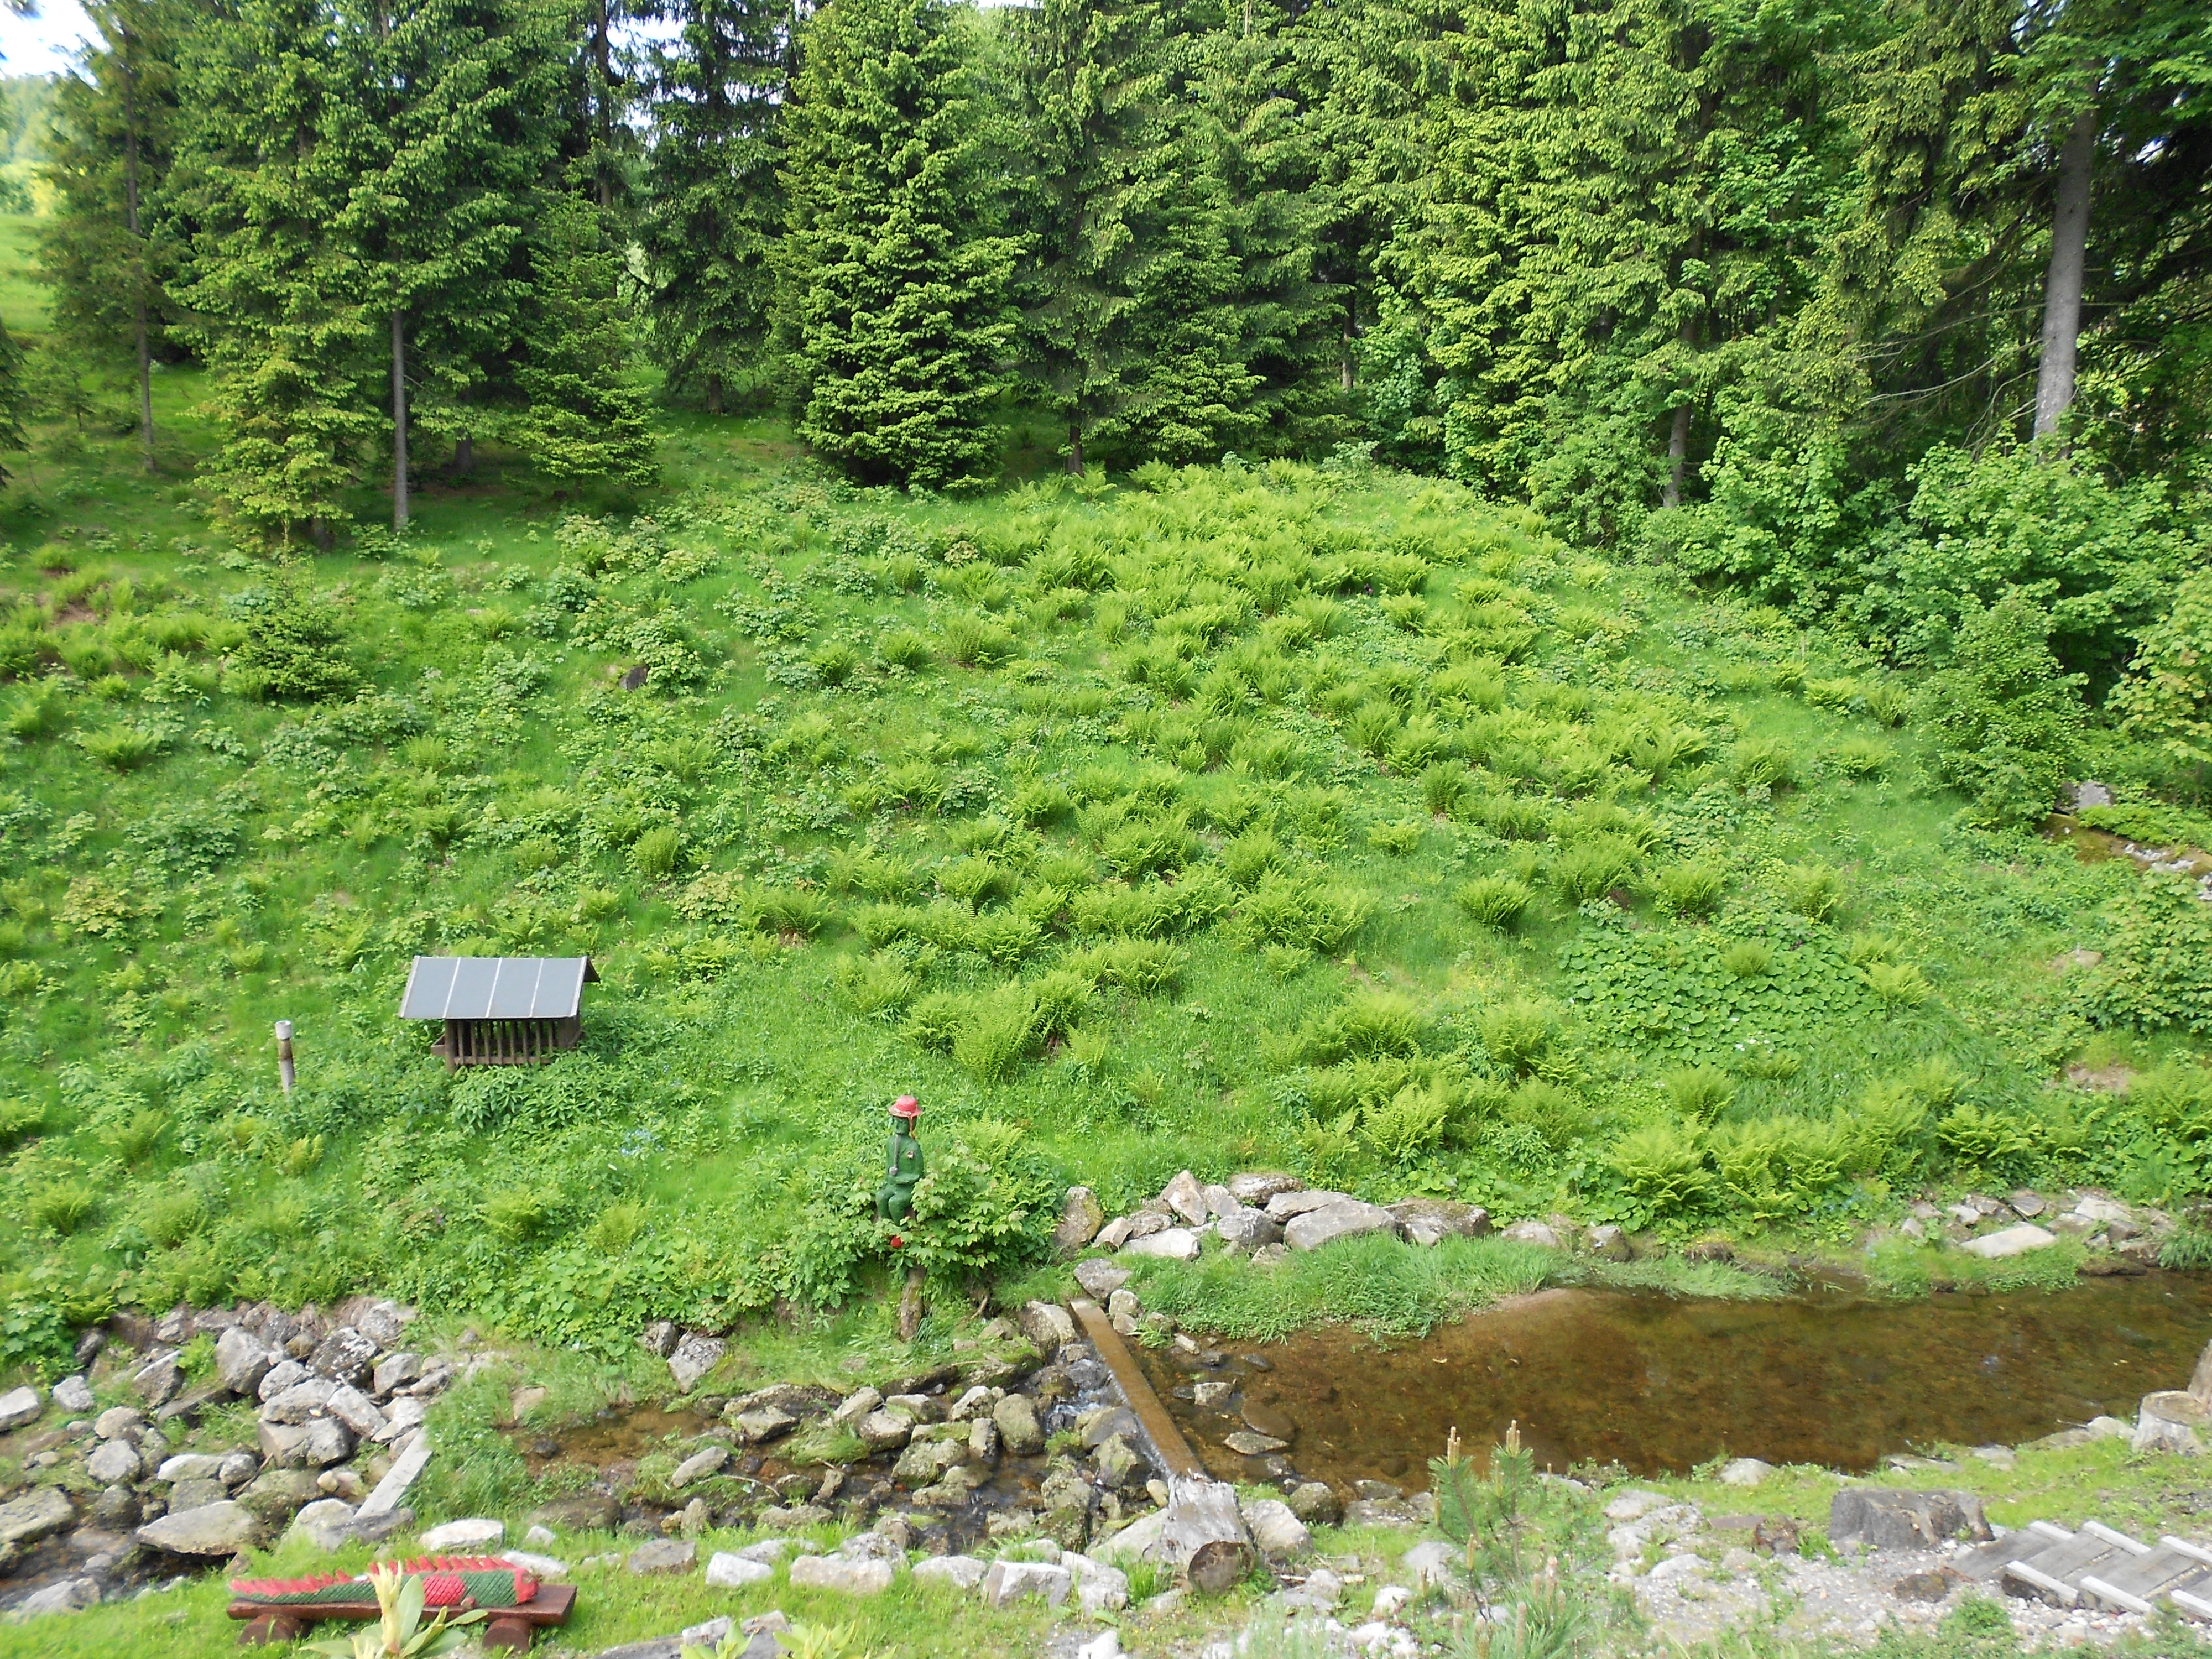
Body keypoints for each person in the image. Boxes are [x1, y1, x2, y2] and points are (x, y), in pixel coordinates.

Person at [876, 1094, 924, 1222]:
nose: (897, 1126)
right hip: (892, 1185)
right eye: (895, 1121)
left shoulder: (913, 1147)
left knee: (895, 1203)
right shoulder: (890, 1143)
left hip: (907, 1188)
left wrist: (901, 1179)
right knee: (881, 1197)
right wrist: (888, 1179)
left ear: (912, 1123)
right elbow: (888, 1165)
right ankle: (886, 1225)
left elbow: (918, 1174)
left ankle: (901, 1228)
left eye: (901, 1122)